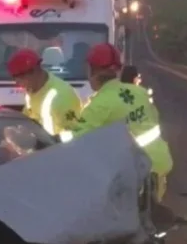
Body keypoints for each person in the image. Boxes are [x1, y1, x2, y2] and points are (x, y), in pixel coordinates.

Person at [63, 43, 173, 202]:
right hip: (158, 163)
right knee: (153, 210)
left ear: (92, 71)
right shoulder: (139, 92)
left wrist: (58, 137)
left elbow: (77, 142)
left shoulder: (99, 106)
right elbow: (153, 118)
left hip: (133, 174)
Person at [6, 48, 82, 137]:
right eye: (14, 78)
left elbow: (76, 133)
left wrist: (55, 140)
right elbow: (28, 118)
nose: (17, 83)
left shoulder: (63, 96)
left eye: (19, 78)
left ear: (34, 71)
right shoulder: (31, 90)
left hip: (56, 145)